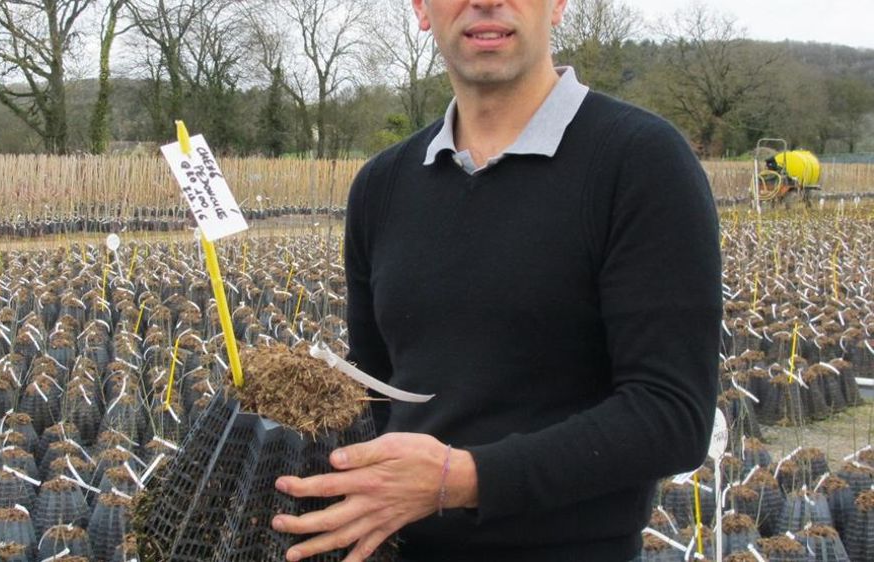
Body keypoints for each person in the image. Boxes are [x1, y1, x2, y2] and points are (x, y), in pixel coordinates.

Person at [270, 0, 722, 560]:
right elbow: (376, 389)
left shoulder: (640, 162)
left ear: (559, 5)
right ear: (422, 9)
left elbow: (672, 413)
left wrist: (460, 479)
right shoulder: (382, 186)